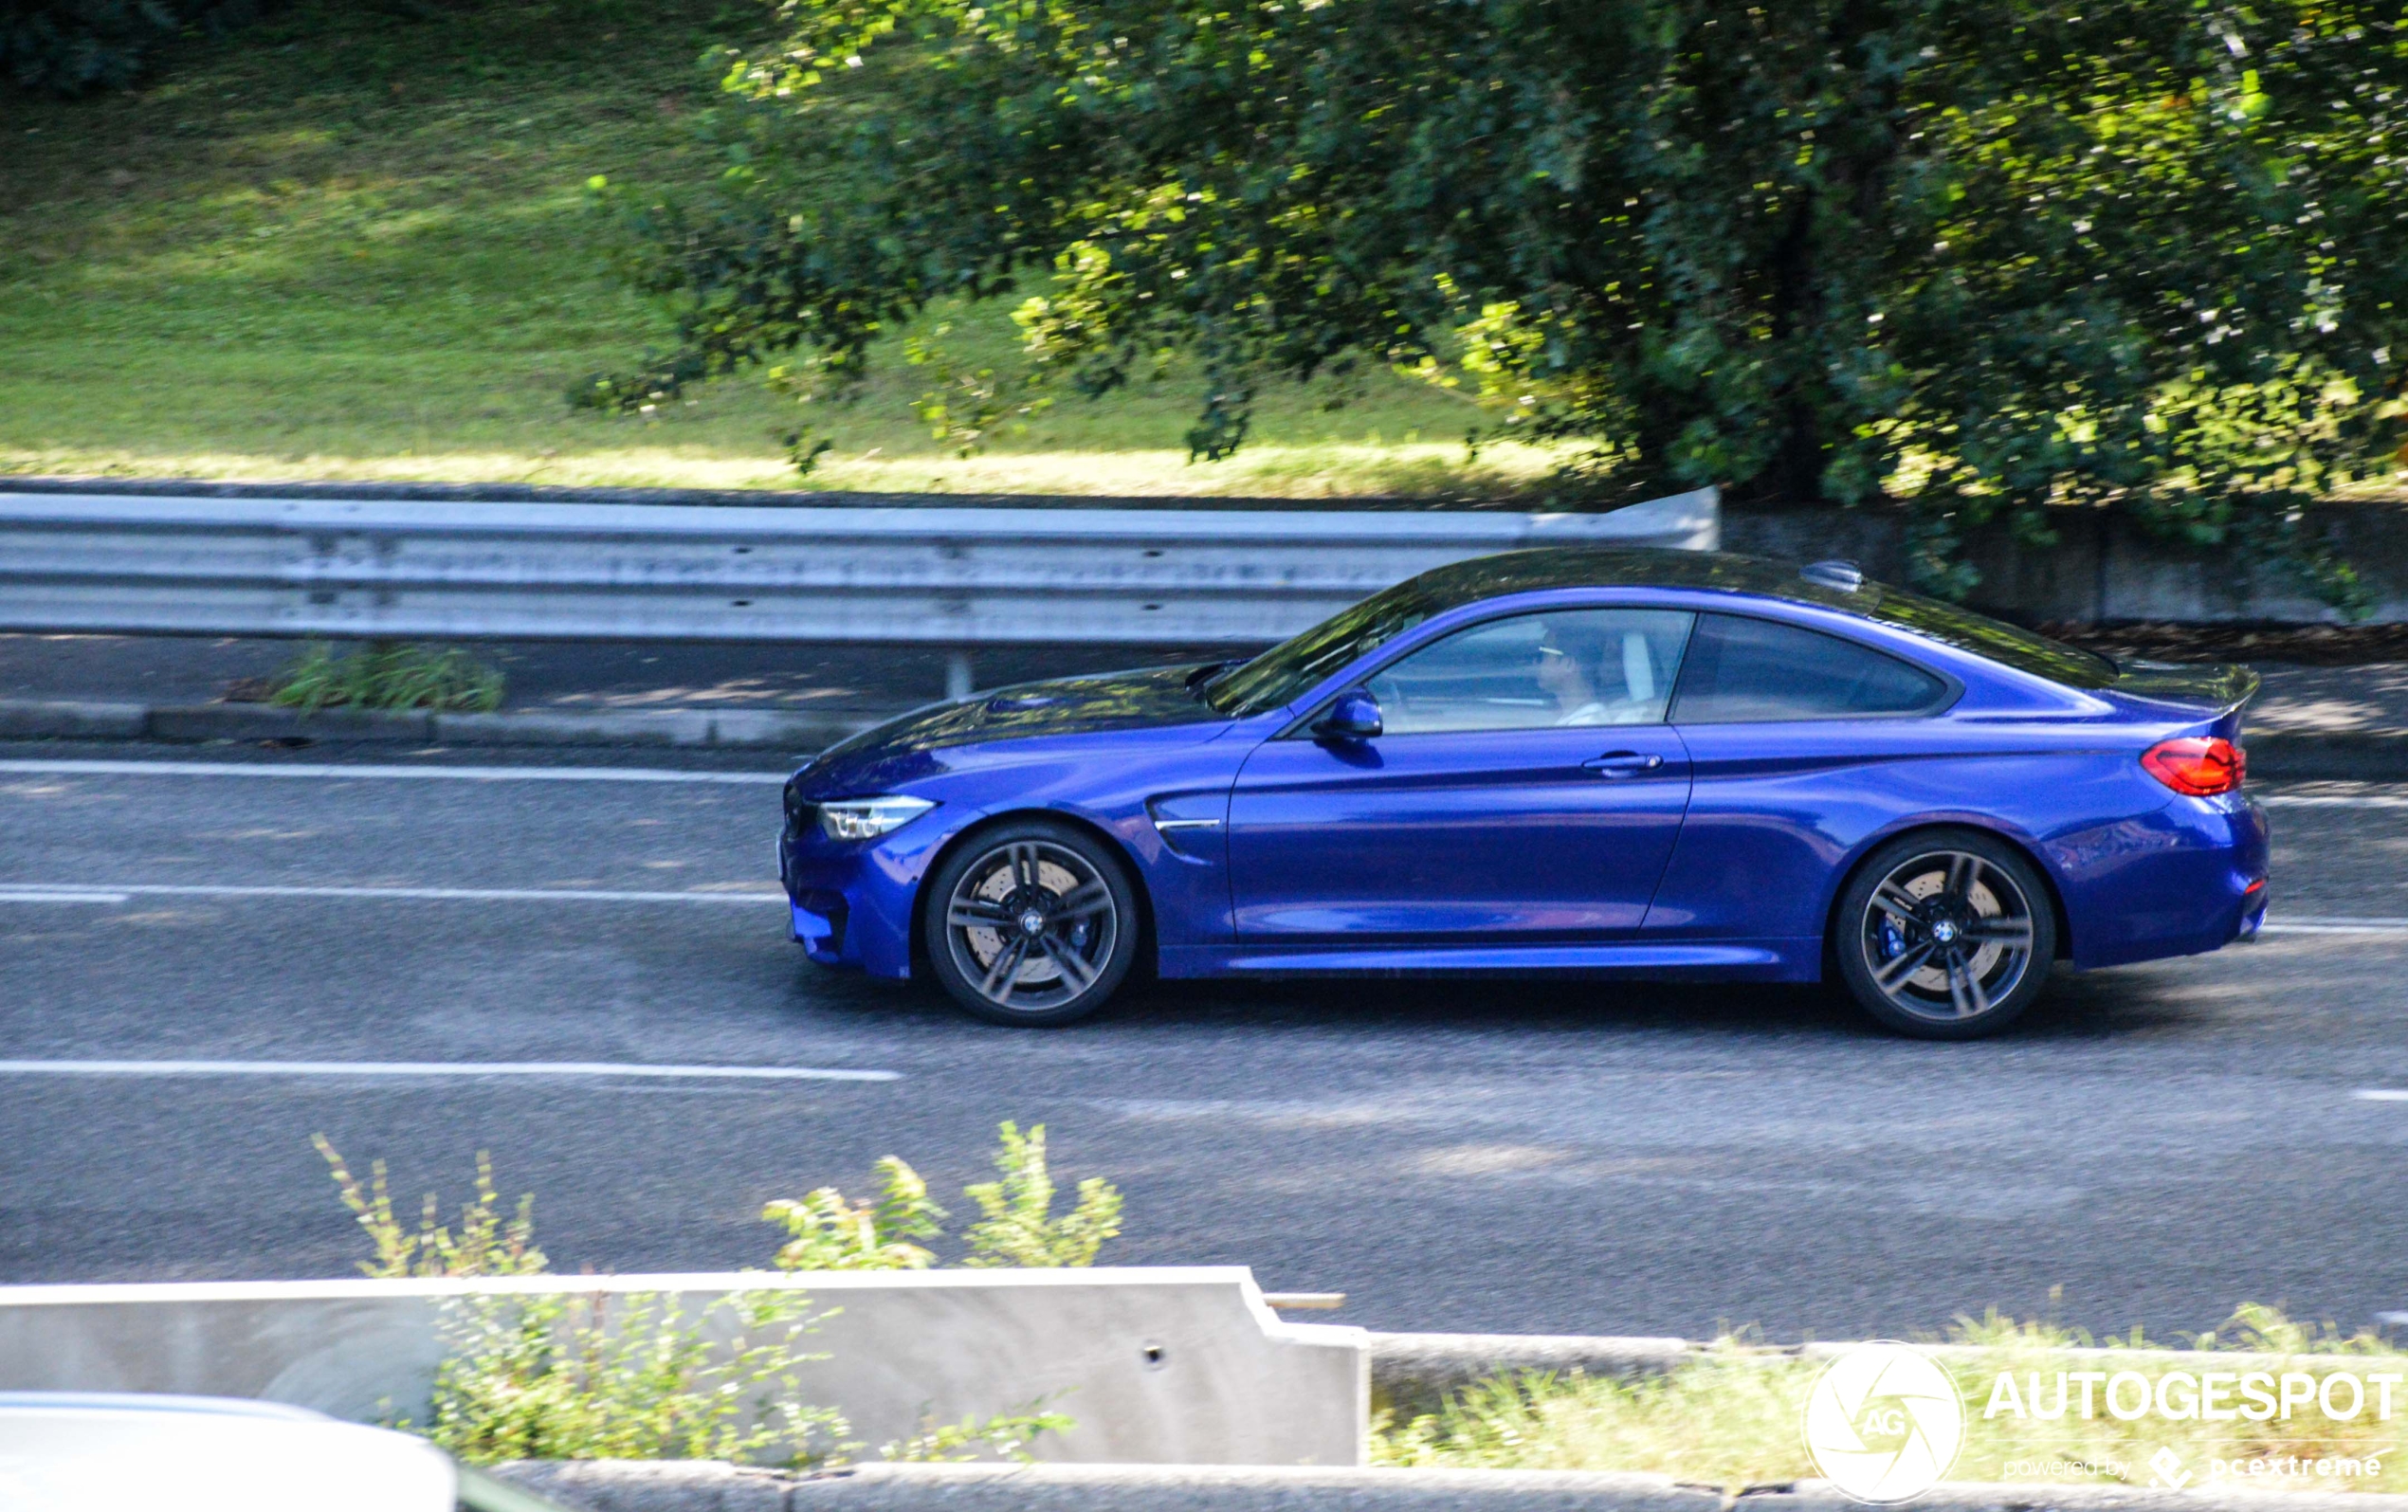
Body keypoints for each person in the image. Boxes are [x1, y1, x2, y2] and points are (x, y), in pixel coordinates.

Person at [1537, 619, 1660, 725]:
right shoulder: (1573, 719)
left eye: (1543, 654)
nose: (1535, 662)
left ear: (1568, 664)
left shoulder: (1584, 726)